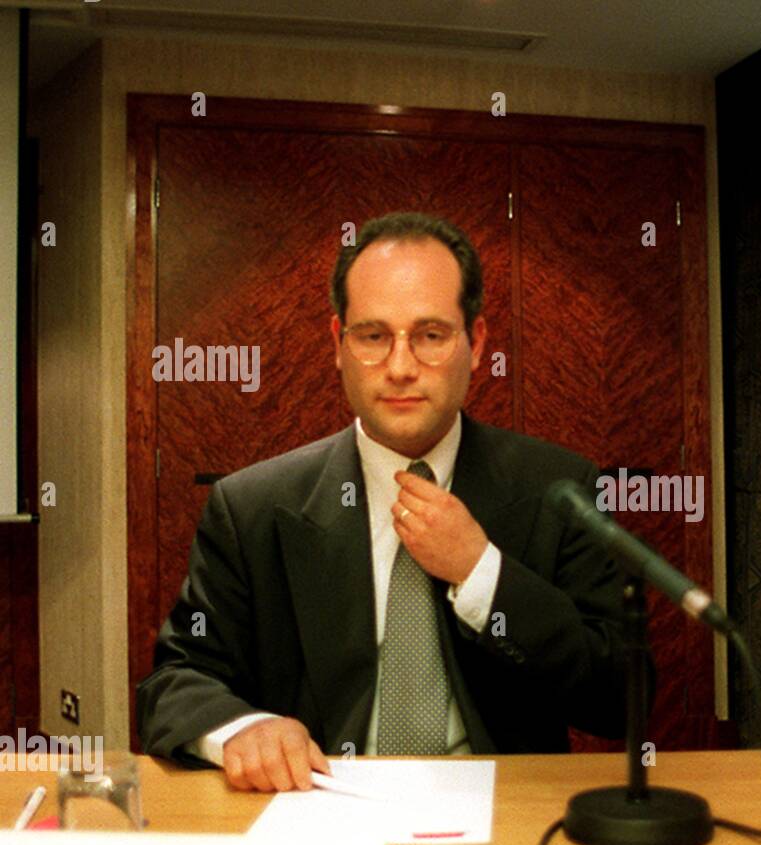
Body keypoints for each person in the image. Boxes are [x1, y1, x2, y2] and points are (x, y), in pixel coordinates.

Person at [138, 212, 629, 791]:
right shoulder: (251, 507)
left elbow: (617, 696)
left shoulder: (559, 490)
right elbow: (175, 679)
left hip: (508, 820)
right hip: (318, 810)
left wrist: (482, 573)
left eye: (430, 336)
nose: (400, 367)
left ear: (476, 344)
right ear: (337, 345)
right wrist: (243, 728)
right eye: (373, 337)